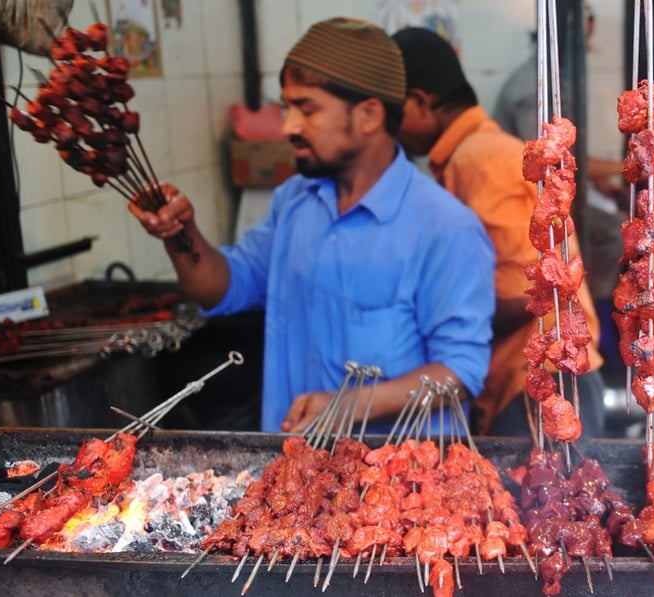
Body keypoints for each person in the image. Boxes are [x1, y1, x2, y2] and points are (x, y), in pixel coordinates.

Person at [128, 18, 496, 434]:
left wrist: (350, 405)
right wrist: (180, 233)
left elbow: (459, 374)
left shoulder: (445, 227)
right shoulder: (295, 202)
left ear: (370, 114)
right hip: (296, 475)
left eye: (308, 108)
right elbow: (222, 287)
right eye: (287, 107)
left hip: (400, 485)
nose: (288, 126)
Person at [391, 26, 608, 438]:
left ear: (419, 102)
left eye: (392, 113)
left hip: (544, 388)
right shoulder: (473, 155)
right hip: (535, 384)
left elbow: (522, 296)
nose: (389, 129)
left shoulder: (480, 160)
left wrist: (421, 313)